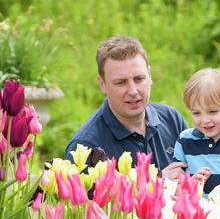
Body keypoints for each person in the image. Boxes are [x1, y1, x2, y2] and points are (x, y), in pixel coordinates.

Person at [65, 35, 188, 179]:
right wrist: (159, 181)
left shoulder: (172, 119)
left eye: (139, 79)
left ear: (149, 74)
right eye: (121, 82)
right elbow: (84, 201)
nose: (133, 91)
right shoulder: (85, 147)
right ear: (102, 84)